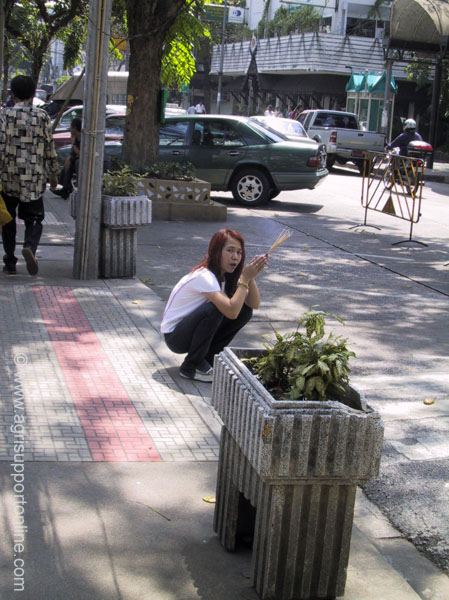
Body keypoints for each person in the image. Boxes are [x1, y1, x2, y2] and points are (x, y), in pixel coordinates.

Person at [161, 229, 268, 382]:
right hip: (175, 336)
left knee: (244, 312)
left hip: (188, 332)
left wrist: (250, 277)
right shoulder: (205, 276)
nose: (235, 257)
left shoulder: (225, 277)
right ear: (216, 252)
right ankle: (191, 366)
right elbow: (231, 312)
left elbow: (253, 304)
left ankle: (208, 359)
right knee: (215, 310)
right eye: (230, 250)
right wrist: (245, 277)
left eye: (239, 252)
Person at [0, 75, 59, 275]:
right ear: (34, 93)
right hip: (33, 178)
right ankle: (30, 247)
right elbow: (49, 147)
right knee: (34, 218)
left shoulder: (4, 115)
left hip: (8, 176)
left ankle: (9, 261)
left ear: (12, 94)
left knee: (8, 219)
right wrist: (53, 173)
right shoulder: (42, 117)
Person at [51, 118, 81, 199]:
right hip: (75, 160)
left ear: (75, 128)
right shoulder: (75, 137)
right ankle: (65, 189)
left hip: (81, 162)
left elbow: (80, 153)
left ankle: (66, 189)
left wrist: (73, 144)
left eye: (71, 127)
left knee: (72, 165)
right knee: (67, 166)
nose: (70, 129)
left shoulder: (81, 138)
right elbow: (73, 153)